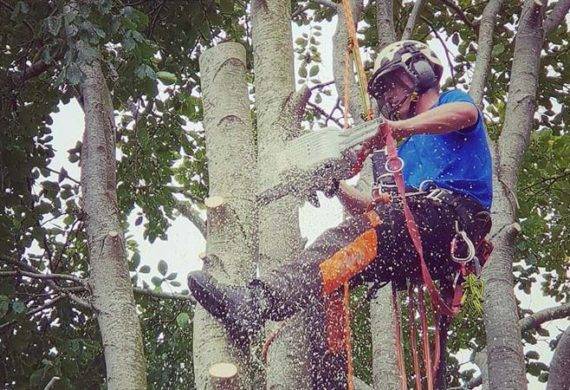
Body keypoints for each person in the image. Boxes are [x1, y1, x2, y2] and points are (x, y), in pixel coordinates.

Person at [187, 40, 492, 353]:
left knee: (356, 234)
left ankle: (258, 301)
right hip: (415, 235)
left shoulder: (451, 103)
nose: (388, 96)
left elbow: (465, 113)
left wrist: (396, 128)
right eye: (383, 90)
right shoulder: (402, 152)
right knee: (331, 282)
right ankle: (325, 377)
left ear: (421, 71)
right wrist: (333, 185)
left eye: (393, 83)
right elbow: (373, 209)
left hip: (450, 222)